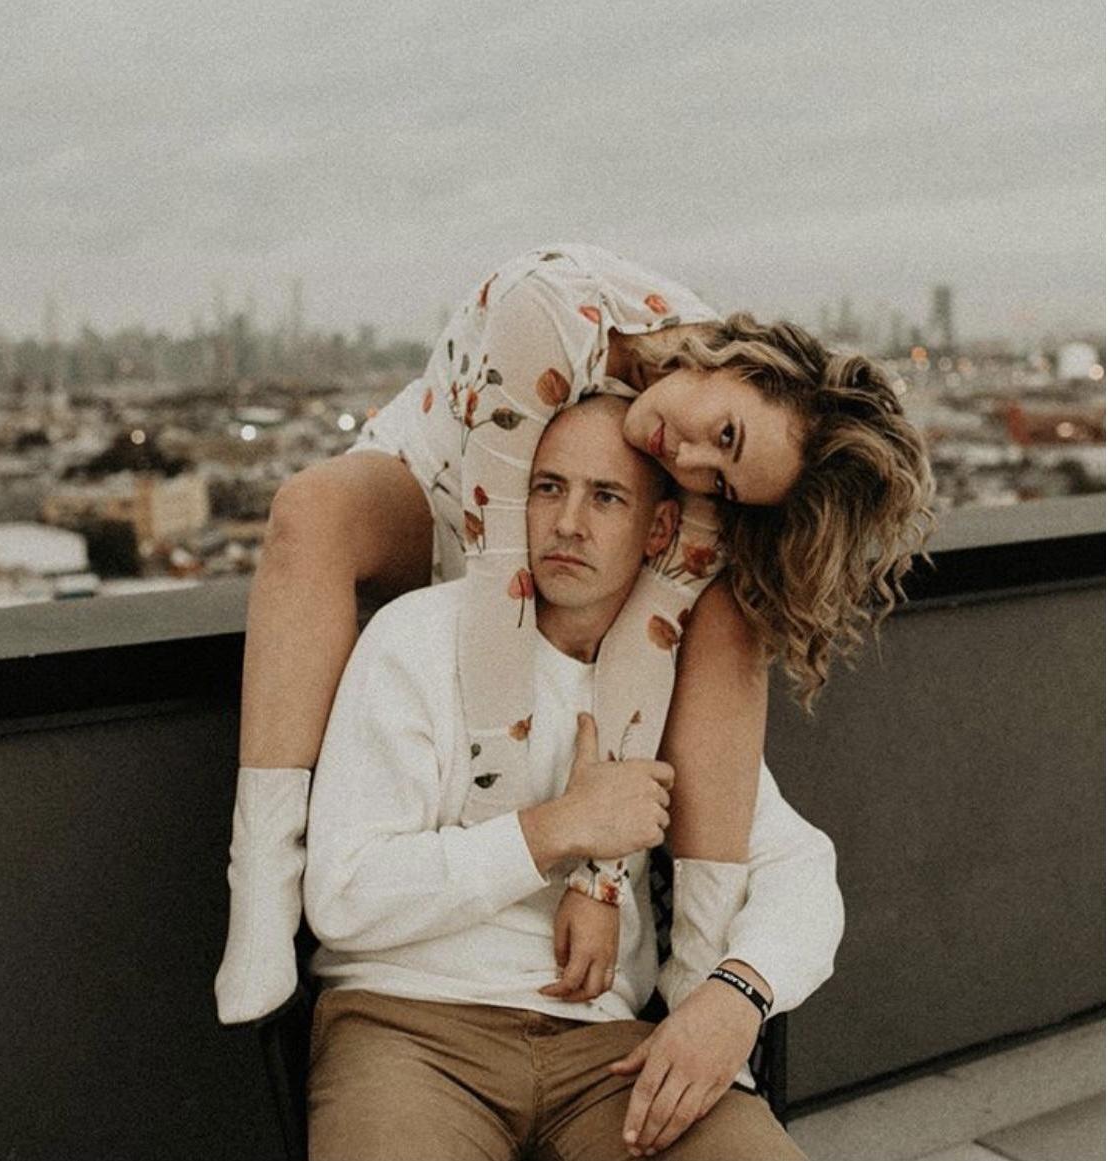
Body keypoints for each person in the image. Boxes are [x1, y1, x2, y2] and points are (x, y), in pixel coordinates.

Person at [215, 243, 932, 1029]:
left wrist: (601, 878)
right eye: (722, 434)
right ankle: (261, 886)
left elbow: (644, 645)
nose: (690, 458)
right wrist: (535, 844)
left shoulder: (692, 476)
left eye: (721, 478)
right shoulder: (549, 313)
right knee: (310, 509)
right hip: (448, 492)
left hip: (573, 534)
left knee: (729, 616)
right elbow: (499, 581)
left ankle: (698, 966)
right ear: (738, 361)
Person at [303, 397, 841, 1160]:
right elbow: (343, 893)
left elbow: (799, 866)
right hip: (409, 1028)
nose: (567, 523)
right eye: (548, 488)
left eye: (606, 497)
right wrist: (555, 829)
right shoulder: (420, 636)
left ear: (658, 529)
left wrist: (737, 993)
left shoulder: (664, 678)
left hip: (607, 1052)